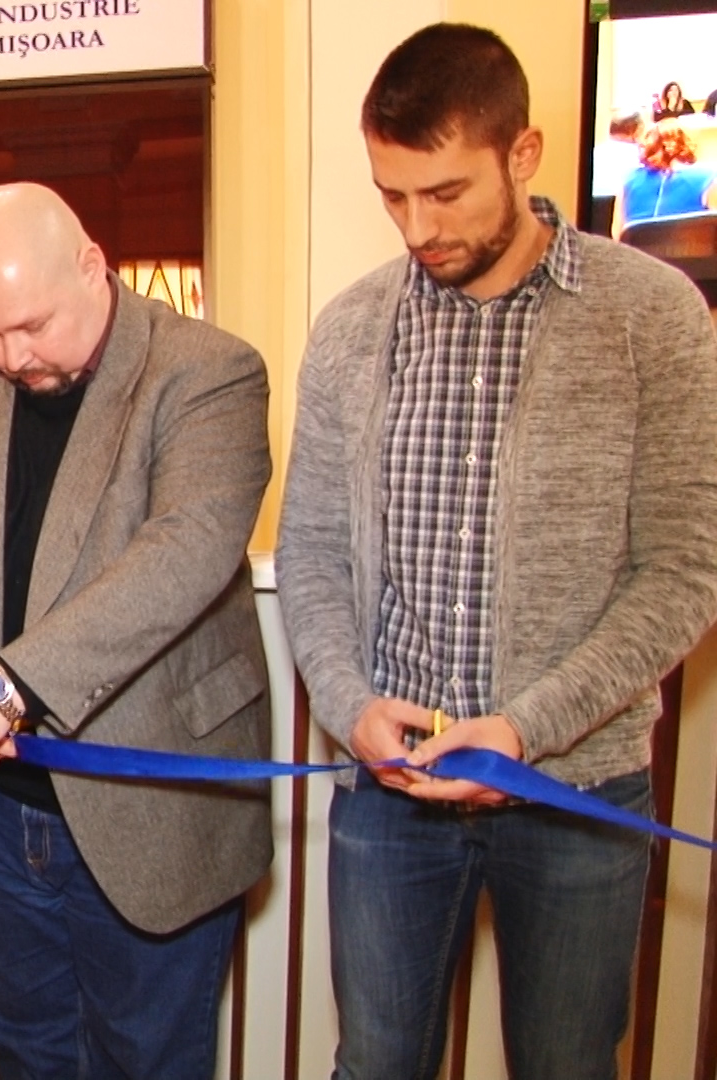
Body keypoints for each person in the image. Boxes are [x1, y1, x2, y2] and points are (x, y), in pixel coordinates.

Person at [276, 24, 717, 1080]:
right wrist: (350, 704)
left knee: (567, 1065)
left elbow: (683, 569)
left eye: (445, 192)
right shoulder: (349, 329)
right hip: (392, 795)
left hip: (579, 791)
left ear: (523, 154)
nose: (417, 227)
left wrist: (527, 728)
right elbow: (315, 552)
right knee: (376, 1064)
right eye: (392, 196)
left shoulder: (654, 316)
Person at [0, 182, 273, 1079]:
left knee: (149, 1063)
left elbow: (185, 553)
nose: (12, 356)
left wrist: (5, 688)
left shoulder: (207, 371)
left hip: (153, 807)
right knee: (25, 1055)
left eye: (34, 325)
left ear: (92, 267)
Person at [620, 119, 717, 228]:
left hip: (636, 240)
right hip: (689, 239)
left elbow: (618, 232)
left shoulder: (629, 178)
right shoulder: (709, 178)